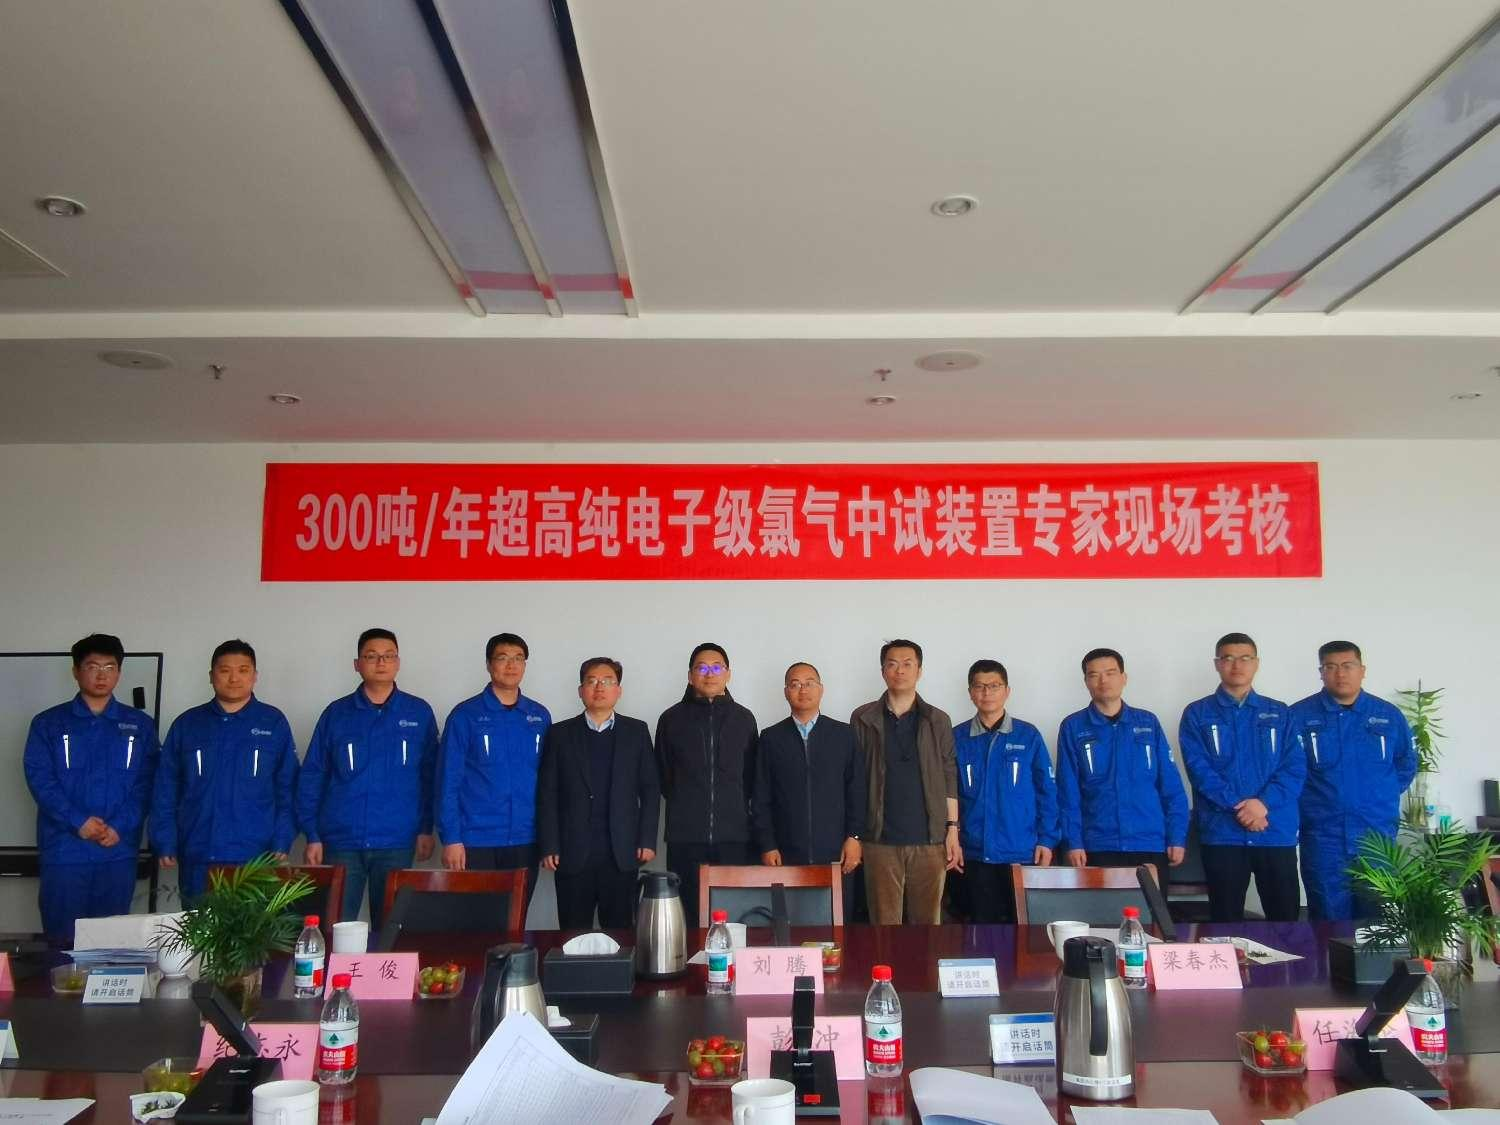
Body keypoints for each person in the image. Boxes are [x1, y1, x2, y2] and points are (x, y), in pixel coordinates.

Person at [295, 628, 439, 930]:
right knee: (335, 928)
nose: (381, 662)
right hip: (341, 840)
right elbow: (313, 775)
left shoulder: (419, 713)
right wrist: (312, 833)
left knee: (391, 931)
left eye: (388, 656)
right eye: (371, 656)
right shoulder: (336, 714)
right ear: (357, 664)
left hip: (397, 839)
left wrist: (426, 828)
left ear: (398, 662)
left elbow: (430, 777)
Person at [22, 634, 159, 944]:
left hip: (116, 850)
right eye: (92, 666)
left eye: (109, 667)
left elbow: (148, 781)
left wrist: (120, 825)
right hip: (65, 850)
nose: (101, 675)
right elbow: (40, 779)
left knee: (112, 942)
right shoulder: (48, 723)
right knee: (63, 943)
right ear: (76, 671)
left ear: (119, 673)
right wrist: (78, 822)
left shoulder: (140, 725)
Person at [151, 639, 299, 900]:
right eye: (225, 670)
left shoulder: (273, 722)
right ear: (211, 676)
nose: (234, 678)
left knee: (252, 926)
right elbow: (166, 788)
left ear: (255, 676)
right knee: (199, 925)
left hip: (256, 854)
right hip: (198, 850)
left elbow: (288, 788)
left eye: (243, 670)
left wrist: (282, 839)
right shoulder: (188, 724)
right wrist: (165, 840)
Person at [1178, 633, 1305, 922]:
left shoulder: (1280, 713)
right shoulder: (1197, 714)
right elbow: (1199, 770)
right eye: (1228, 658)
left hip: (1274, 831)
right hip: (1223, 833)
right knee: (1225, 924)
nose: (1237, 665)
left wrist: (1262, 804)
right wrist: (1240, 807)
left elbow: (1294, 767)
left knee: (1286, 922)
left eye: (1245, 658)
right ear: (1217, 664)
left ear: (1256, 663)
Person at [1290, 640, 1417, 921]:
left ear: (1362, 670)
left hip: (1376, 836)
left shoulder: (1387, 716)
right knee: (1327, 921)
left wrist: (1379, 795)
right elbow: (1290, 772)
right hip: (1323, 836)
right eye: (1331, 667)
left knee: (1379, 922)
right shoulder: (1299, 716)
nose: (1340, 674)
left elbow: (1406, 764)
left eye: (1348, 666)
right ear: (1321, 672)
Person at [537, 658, 661, 929]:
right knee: (572, 933)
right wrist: (549, 844)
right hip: (571, 851)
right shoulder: (560, 734)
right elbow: (548, 793)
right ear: (580, 690)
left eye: (607, 681)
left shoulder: (636, 732)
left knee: (620, 933)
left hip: (622, 851)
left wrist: (647, 839)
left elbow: (650, 789)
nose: (599, 687)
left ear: (619, 690)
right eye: (592, 681)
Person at [435, 632, 550, 918]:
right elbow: (447, 780)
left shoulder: (539, 716)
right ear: (488, 664)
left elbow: (550, 782)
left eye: (518, 658)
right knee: (475, 922)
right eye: (503, 658)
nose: (511, 665)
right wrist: (451, 839)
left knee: (515, 919)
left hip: (526, 838)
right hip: (475, 841)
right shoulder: (465, 715)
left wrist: (549, 838)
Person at [1056, 648, 1188, 886]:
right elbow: (1068, 792)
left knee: (1151, 910)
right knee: (1102, 910)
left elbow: (1171, 786)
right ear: (1086, 681)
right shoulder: (1073, 727)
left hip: (1149, 842)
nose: (1103, 681)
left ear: (1124, 678)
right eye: (1094, 675)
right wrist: (1073, 842)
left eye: (1110, 673)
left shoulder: (1148, 723)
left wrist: (1177, 836)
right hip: (1098, 844)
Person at [849, 639, 959, 925]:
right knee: (883, 927)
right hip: (879, 840)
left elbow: (949, 775)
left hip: (930, 840)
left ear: (919, 671)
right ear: (883, 671)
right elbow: (855, 778)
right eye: (892, 664)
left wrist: (952, 829)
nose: (900, 670)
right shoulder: (863, 718)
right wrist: (855, 835)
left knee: (928, 927)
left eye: (908, 664)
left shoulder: (938, 720)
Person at [655, 642, 759, 928]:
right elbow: (664, 777)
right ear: (690, 676)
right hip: (686, 838)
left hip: (734, 838)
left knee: (733, 916)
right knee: (687, 917)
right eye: (701, 668)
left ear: (728, 674)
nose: (709, 674)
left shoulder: (744, 719)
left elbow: (751, 777)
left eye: (716, 667)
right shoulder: (671, 719)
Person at [753, 662, 866, 911]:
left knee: (836, 921)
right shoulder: (771, 738)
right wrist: (767, 844)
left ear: (821, 689)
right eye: (795, 684)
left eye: (809, 683)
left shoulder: (844, 735)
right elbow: (761, 796)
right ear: (786, 692)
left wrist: (855, 837)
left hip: (836, 851)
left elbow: (857, 791)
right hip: (786, 852)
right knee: (790, 921)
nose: (802, 690)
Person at [953, 659, 1059, 924]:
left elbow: (1047, 791)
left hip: (1021, 851)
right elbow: (948, 794)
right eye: (979, 686)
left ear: (1007, 691)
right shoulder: (957, 737)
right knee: (979, 931)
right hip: (973, 853)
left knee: (1022, 930)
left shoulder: (1028, 735)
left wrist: (1047, 840)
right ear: (970, 692)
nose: (986, 693)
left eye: (994, 686)